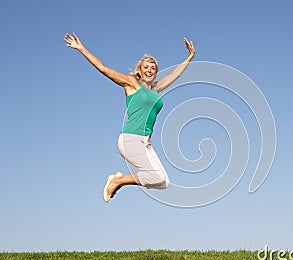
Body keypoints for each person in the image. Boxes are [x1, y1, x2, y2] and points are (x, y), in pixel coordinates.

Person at [64, 32, 195, 202]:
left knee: (163, 182)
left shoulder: (155, 89)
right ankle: (118, 181)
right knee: (156, 177)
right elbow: (104, 69)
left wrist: (190, 56)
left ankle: (119, 180)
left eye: (153, 68)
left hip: (146, 142)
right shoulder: (131, 84)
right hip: (130, 139)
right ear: (139, 71)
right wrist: (82, 49)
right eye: (146, 67)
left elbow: (174, 75)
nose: (150, 70)